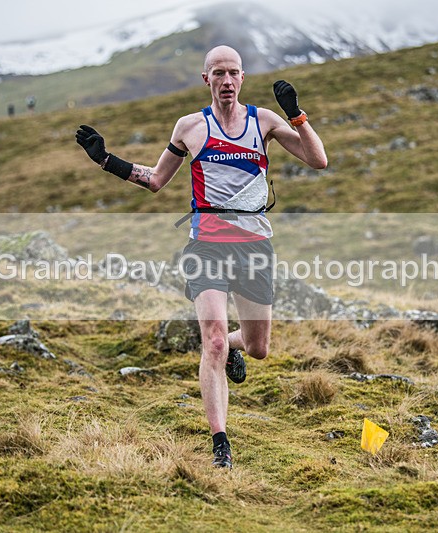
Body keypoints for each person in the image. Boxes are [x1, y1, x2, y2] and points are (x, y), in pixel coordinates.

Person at [76, 45, 327, 469]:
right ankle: (220, 445)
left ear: (242, 78)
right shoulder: (190, 127)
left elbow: (318, 160)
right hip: (206, 244)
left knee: (258, 347)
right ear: (206, 79)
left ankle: (234, 348)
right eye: (218, 73)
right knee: (212, 340)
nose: (226, 81)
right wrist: (106, 160)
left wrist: (296, 115)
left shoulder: (264, 121)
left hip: (253, 246)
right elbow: (156, 180)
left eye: (233, 73)